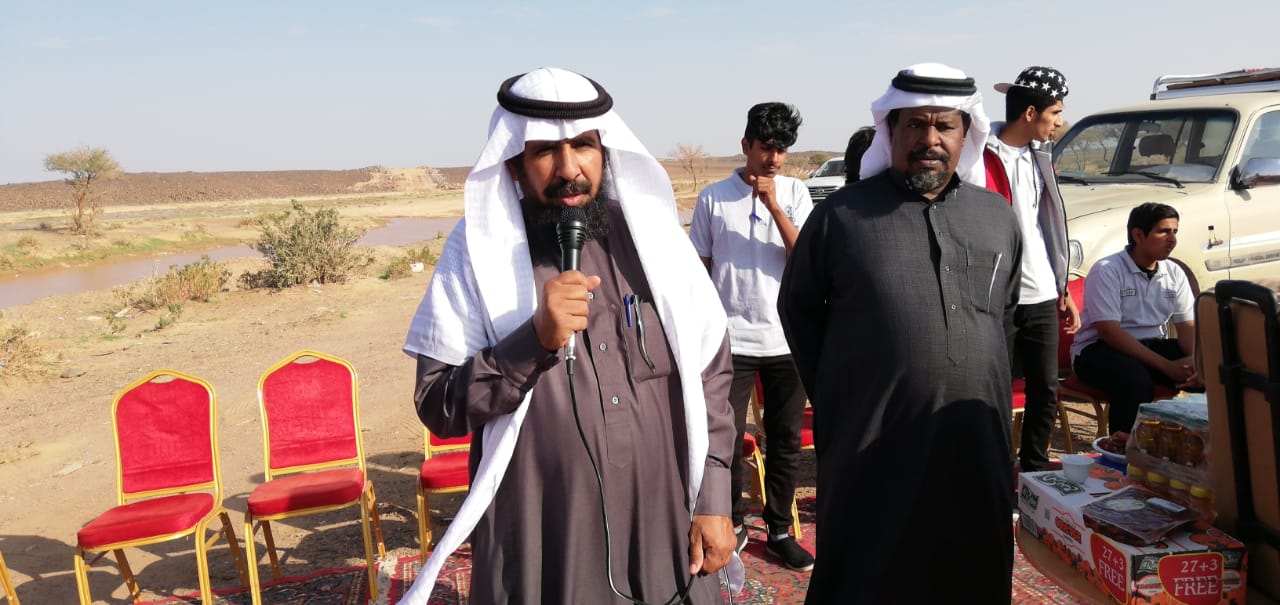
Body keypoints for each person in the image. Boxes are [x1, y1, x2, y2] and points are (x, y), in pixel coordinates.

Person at [398, 67, 737, 605]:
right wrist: (531, 341)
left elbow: (711, 370)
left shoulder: (654, 239)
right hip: (544, 533)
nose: (569, 169)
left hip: (665, 517)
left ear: (605, 152)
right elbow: (439, 404)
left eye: (583, 145)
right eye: (544, 152)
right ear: (514, 164)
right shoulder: (476, 252)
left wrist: (715, 495)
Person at [779, 62, 1021, 604]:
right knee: (869, 569)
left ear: (966, 134)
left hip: (974, 438)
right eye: (915, 124)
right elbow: (799, 311)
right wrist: (848, 396)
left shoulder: (996, 216)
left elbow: (1004, 316)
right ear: (890, 130)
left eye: (945, 126)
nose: (930, 139)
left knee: (972, 567)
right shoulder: (841, 215)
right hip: (872, 439)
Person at [689, 102, 815, 570]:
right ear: (746, 145)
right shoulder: (713, 198)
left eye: (782, 149)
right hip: (730, 342)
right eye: (766, 147)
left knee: (785, 440)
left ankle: (779, 529)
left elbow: (806, 259)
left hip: (786, 340)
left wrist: (774, 206)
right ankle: (733, 523)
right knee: (722, 439)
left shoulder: (796, 193)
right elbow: (699, 272)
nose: (774, 158)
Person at [983, 66, 1079, 471]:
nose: (1058, 122)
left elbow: (1047, 226)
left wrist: (1062, 287)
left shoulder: (1040, 157)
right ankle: (996, 472)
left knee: (1046, 388)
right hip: (997, 297)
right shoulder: (980, 156)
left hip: (1041, 291)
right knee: (995, 391)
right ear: (1029, 113)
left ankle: (1035, 467)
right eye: (1055, 112)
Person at [1071, 202, 1201, 435]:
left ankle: (1205, 447)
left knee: (1213, 372)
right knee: (1135, 380)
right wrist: (1167, 367)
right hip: (1098, 350)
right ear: (1138, 235)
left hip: (1151, 345)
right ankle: (1122, 449)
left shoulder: (1174, 272)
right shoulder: (1107, 270)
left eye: (1175, 232)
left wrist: (1195, 362)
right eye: (1163, 232)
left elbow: (1187, 327)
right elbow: (1109, 332)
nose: (1172, 239)